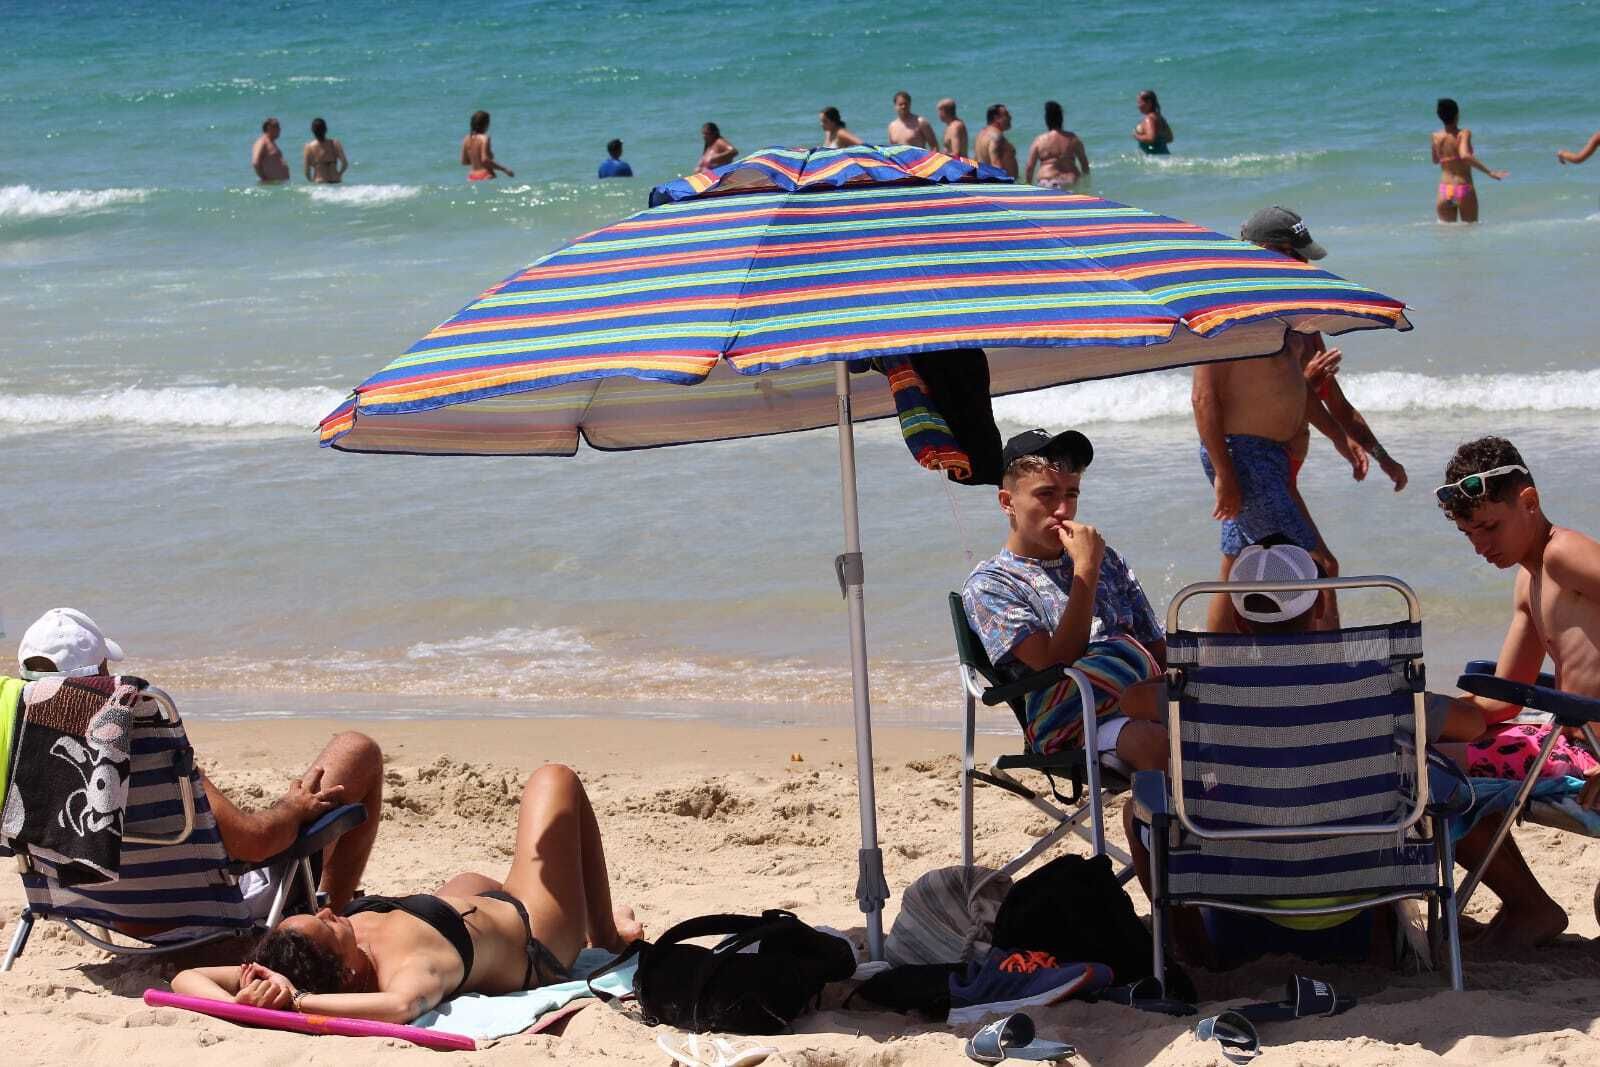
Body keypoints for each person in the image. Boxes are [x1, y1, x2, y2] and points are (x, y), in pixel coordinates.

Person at [171, 763, 642, 1022]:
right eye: (332, 928)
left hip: (466, 911)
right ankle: (605, 937)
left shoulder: (294, 961)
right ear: (348, 972)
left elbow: (186, 979)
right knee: (555, 780)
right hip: (534, 935)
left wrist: (249, 999)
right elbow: (400, 1008)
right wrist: (296, 1005)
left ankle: (584, 913)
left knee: (469, 879)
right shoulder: (405, 970)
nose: (334, 910)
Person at [16, 608, 383, 914]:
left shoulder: (20, 754)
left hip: (104, 908)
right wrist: (292, 808)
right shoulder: (144, 743)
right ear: (100, 675)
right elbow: (255, 844)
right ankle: (331, 914)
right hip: (199, 907)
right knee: (357, 749)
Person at [1195, 206, 1406, 633]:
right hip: (1244, 456)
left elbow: (1315, 397)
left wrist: (1359, 447)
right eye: (1298, 257)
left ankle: (1206, 665)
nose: (1306, 267)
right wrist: (1224, 473)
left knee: (1237, 564)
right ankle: (1328, 671)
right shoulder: (1229, 312)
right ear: (1269, 253)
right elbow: (1205, 397)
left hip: (1270, 457)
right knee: (1319, 564)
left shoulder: (1298, 316)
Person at [1430, 436, 1600, 951]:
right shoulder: (1529, 579)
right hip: (1573, 741)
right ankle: (1530, 906)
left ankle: (1530, 908)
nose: (1481, 545)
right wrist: (1428, 710)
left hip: (1590, 748)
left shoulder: (1564, 554)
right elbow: (1504, 699)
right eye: (1468, 534)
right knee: (1429, 759)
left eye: (1489, 527)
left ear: (1528, 502)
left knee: (1437, 770)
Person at [962, 429, 1169, 775]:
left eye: (1071, 494)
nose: (1062, 509)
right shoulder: (991, 584)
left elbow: (1156, 649)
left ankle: (1153, 823)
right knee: (1155, 742)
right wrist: (1085, 570)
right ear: (1006, 502)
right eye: (1046, 494)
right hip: (1072, 720)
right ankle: (1159, 825)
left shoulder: (1107, 559)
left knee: (1231, 717)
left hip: (1141, 702)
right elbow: (1055, 664)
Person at [1431, 98, 1507, 223]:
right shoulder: (1463, 133)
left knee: (1448, 236)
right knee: (1471, 231)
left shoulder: (1435, 137)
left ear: (1440, 116)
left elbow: (1435, 160)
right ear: (1457, 114)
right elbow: (1465, 155)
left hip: (1445, 190)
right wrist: (1490, 172)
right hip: (1462, 188)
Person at [1024, 100, 1090, 189]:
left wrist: (1027, 187)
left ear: (1047, 120)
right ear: (1061, 119)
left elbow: (1029, 167)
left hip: (1047, 181)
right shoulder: (1072, 138)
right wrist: (1087, 186)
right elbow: (1084, 163)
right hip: (1069, 181)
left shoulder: (1040, 140)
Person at [461, 110, 513, 181]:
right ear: (486, 124)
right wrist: (504, 169)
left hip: (472, 177)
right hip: (486, 175)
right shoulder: (484, 138)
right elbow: (485, 160)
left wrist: (476, 159)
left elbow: (464, 162)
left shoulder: (466, 139)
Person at [973, 103, 1018, 178]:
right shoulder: (996, 137)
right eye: (1006, 115)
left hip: (985, 182)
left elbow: (976, 162)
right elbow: (996, 167)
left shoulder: (980, 135)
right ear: (996, 118)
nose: (1010, 117)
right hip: (1002, 185)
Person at [302, 118, 348, 184]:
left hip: (320, 183)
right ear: (326, 129)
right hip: (335, 181)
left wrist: (311, 181)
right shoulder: (335, 143)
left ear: (312, 131)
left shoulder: (309, 147)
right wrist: (339, 174)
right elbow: (345, 164)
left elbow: (306, 172)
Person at [1132, 90, 1173, 155]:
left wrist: (1136, 136)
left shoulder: (1149, 119)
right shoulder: (1160, 117)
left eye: (1139, 103)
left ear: (1149, 103)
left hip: (1154, 157)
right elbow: (1170, 138)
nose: (1138, 106)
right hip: (1165, 155)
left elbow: (1151, 138)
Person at [251, 117, 290, 183]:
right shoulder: (262, 142)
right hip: (271, 185)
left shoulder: (271, 143)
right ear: (269, 128)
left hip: (278, 184)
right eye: (277, 127)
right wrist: (264, 178)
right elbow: (255, 163)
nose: (280, 129)